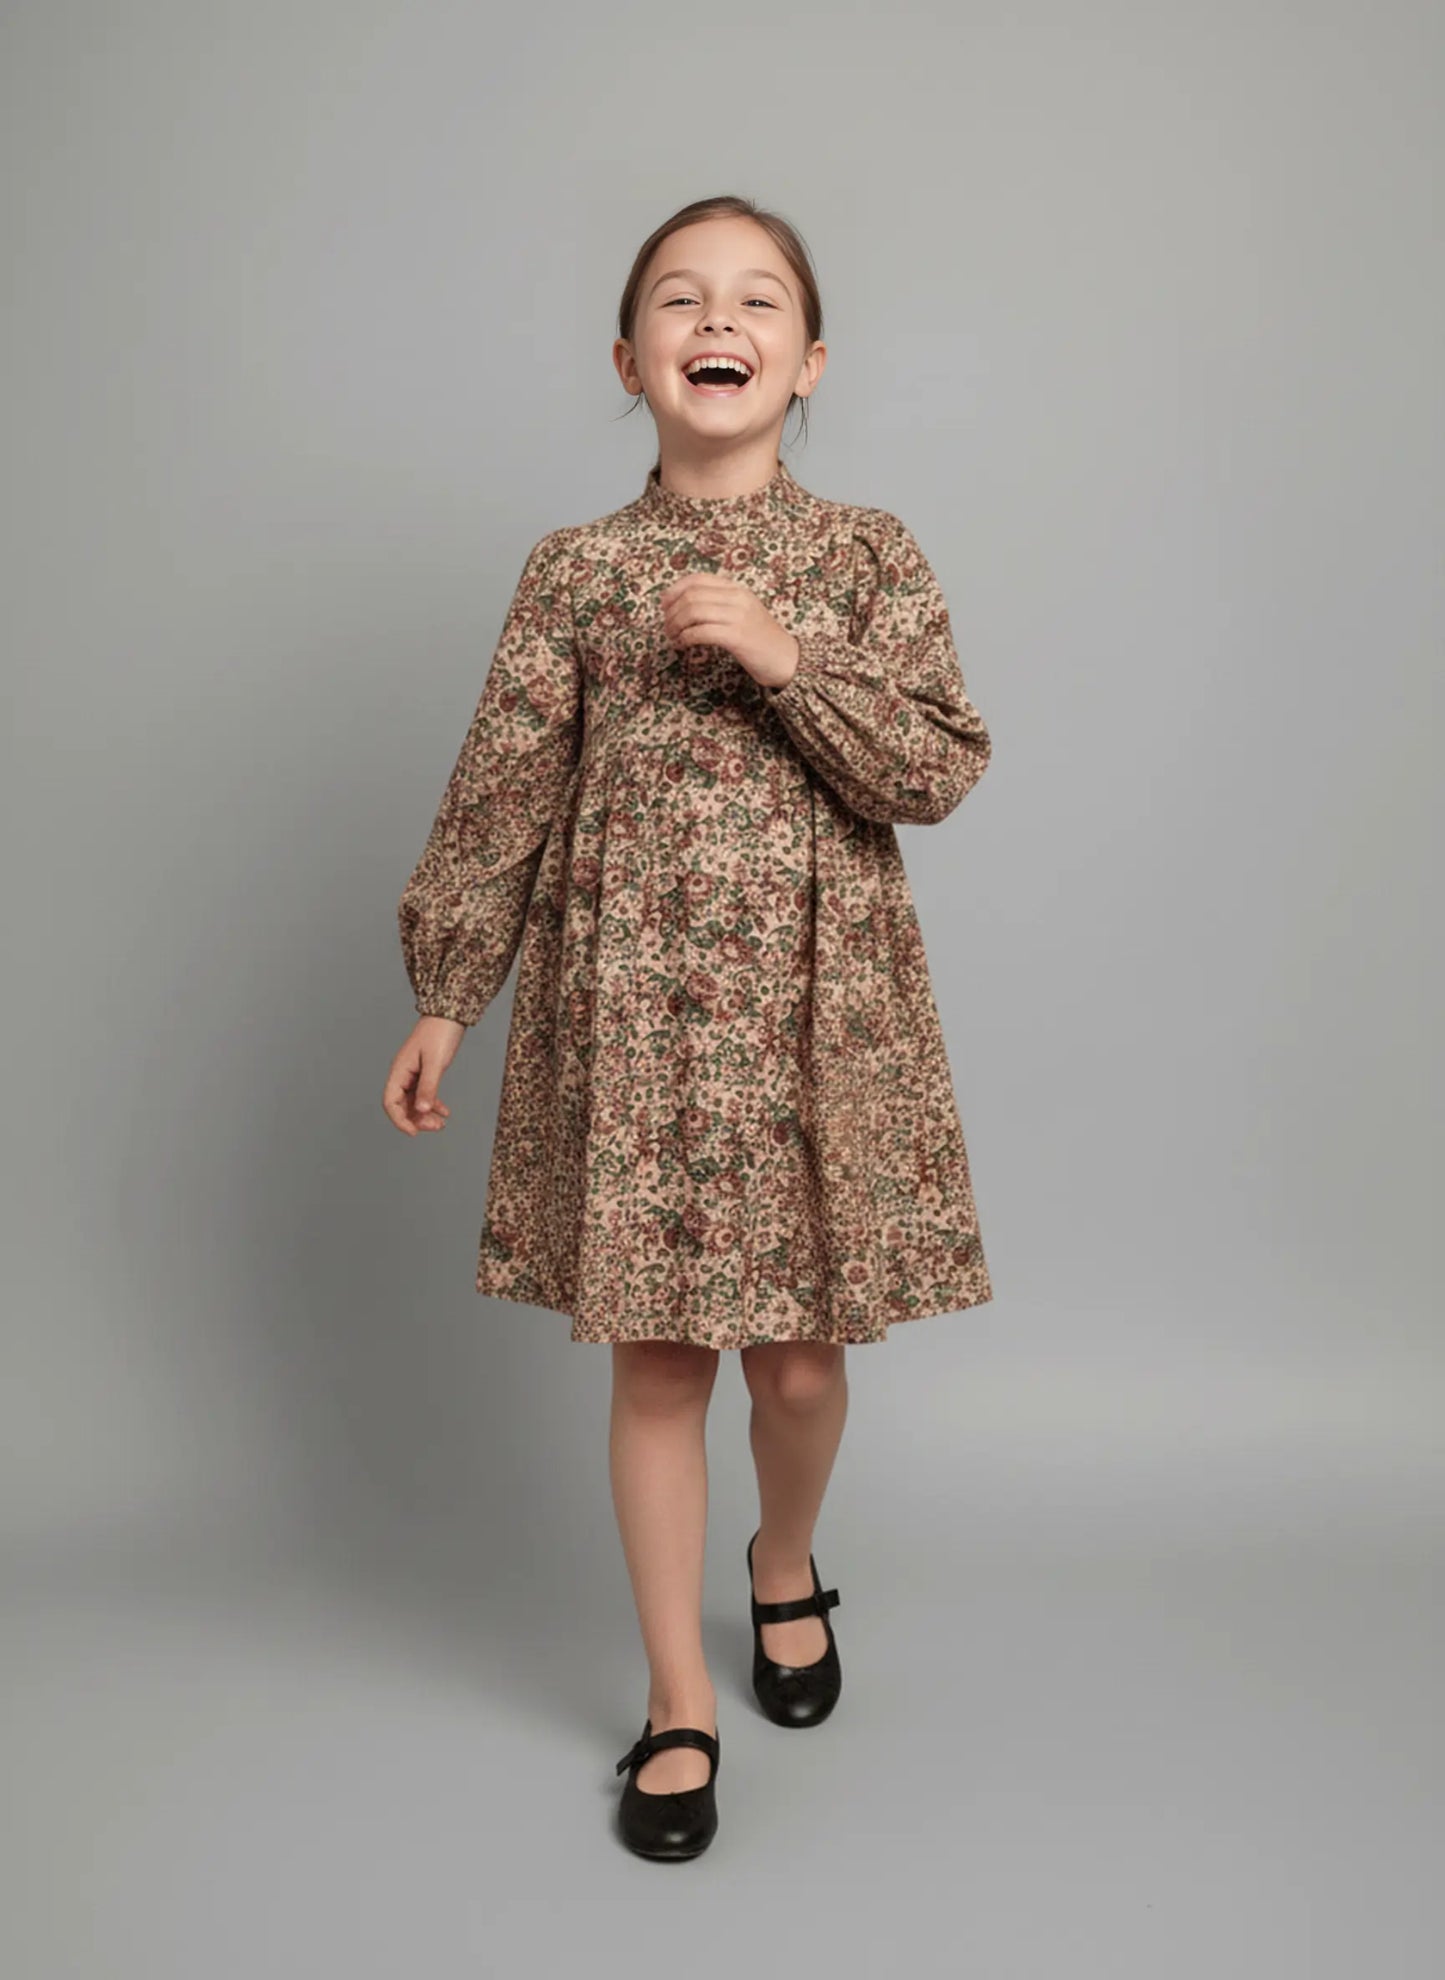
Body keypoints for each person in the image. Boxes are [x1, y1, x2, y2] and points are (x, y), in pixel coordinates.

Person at [381, 194, 995, 1861]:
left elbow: (936, 767)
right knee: (658, 1361)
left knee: (797, 1364)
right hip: (634, 1023)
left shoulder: (868, 554)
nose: (713, 320)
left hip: (818, 1017)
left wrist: (787, 655)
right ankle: (676, 1701)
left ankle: (781, 1559)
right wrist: (449, 993)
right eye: (676, 297)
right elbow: (503, 790)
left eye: (753, 301)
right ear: (630, 357)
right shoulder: (573, 572)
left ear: (806, 362)